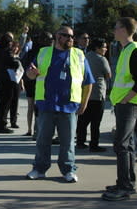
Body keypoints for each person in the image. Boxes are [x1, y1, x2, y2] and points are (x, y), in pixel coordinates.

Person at [25, 26, 94, 183]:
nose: (71, 39)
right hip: (47, 104)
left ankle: (68, 170)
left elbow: (88, 82)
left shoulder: (79, 55)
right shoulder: (44, 53)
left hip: (69, 105)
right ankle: (39, 169)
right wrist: (31, 73)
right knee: (43, 140)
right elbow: (29, 74)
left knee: (68, 142)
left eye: (72, 36)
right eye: (66, 36)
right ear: (57, 37)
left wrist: (84, 103)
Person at [102, 17, 137, 201]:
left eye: (116, 28)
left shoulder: (134, 50)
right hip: (126, 103)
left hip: (129, 104)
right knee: (128, 144)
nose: (114, 31)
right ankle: (127, 182)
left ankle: (124, 186)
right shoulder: (128, 49)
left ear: (124, 30)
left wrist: (125, 100)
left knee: (121, 144)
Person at [76, 38, 112, 152]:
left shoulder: (85, 57)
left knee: (83, 120)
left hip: (85, 93)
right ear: (97, 48)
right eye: (103, 47)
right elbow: (108, 75)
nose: (105, 49)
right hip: (97, 93)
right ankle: (94, 144)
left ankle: (80, 142)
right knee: (96, 122)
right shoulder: (102, 59)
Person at [0, 33, 21, 133]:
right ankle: (1, 124)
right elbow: (13, 63)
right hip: (7, 80)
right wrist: (17, 61)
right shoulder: (6, 52)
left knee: (2, 103)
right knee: (6, 103)